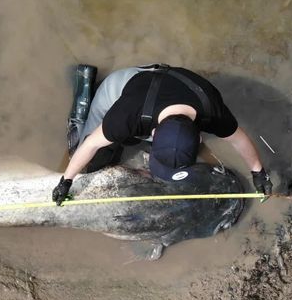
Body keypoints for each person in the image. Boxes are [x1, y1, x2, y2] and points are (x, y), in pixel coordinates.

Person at [52, 63, 273, 205]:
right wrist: (66, 181)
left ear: (198, 137)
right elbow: (91, 145)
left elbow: (238, 138)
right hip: (120, 90)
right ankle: (84, 88)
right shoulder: (125, 117)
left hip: (160, 91)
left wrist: (258, 172)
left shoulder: (213, 111)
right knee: (87, 162)